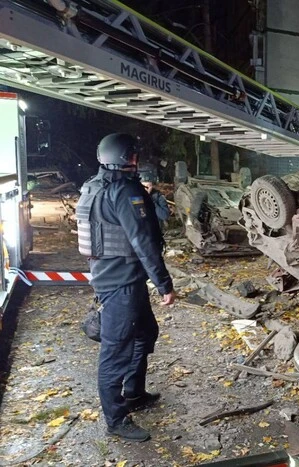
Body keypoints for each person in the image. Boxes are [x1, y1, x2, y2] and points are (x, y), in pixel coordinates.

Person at [76, 133, 176, 442]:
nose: (136, 161)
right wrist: (164, 284)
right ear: (123, 159)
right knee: (116, 351)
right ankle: (116, 420)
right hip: (121, 284)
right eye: (133, 156)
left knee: (145, 333)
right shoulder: (124, 191)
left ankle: (134, 393)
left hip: (115, 277)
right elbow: (143, 242)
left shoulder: (94, 186)